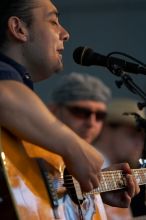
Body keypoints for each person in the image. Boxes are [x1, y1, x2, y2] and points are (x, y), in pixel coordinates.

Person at [0, 0, 139, 219]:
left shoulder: (24, 106)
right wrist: (76, 148)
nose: (65, 33)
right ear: (19, 29)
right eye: (53, 21)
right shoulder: (7, 81)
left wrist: (93, 184)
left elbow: (26, 187)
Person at [47, 72, 139, 219]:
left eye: (100, 116)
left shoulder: (95, 167)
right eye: (80, 112)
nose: (91, 123)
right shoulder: (35, 151)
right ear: (52, 110)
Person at [94, 98, 146, 219]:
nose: (139, 143)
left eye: (143, 138)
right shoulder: (76, 166)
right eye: (132, 135)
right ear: (106, 129)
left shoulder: (122, 178)